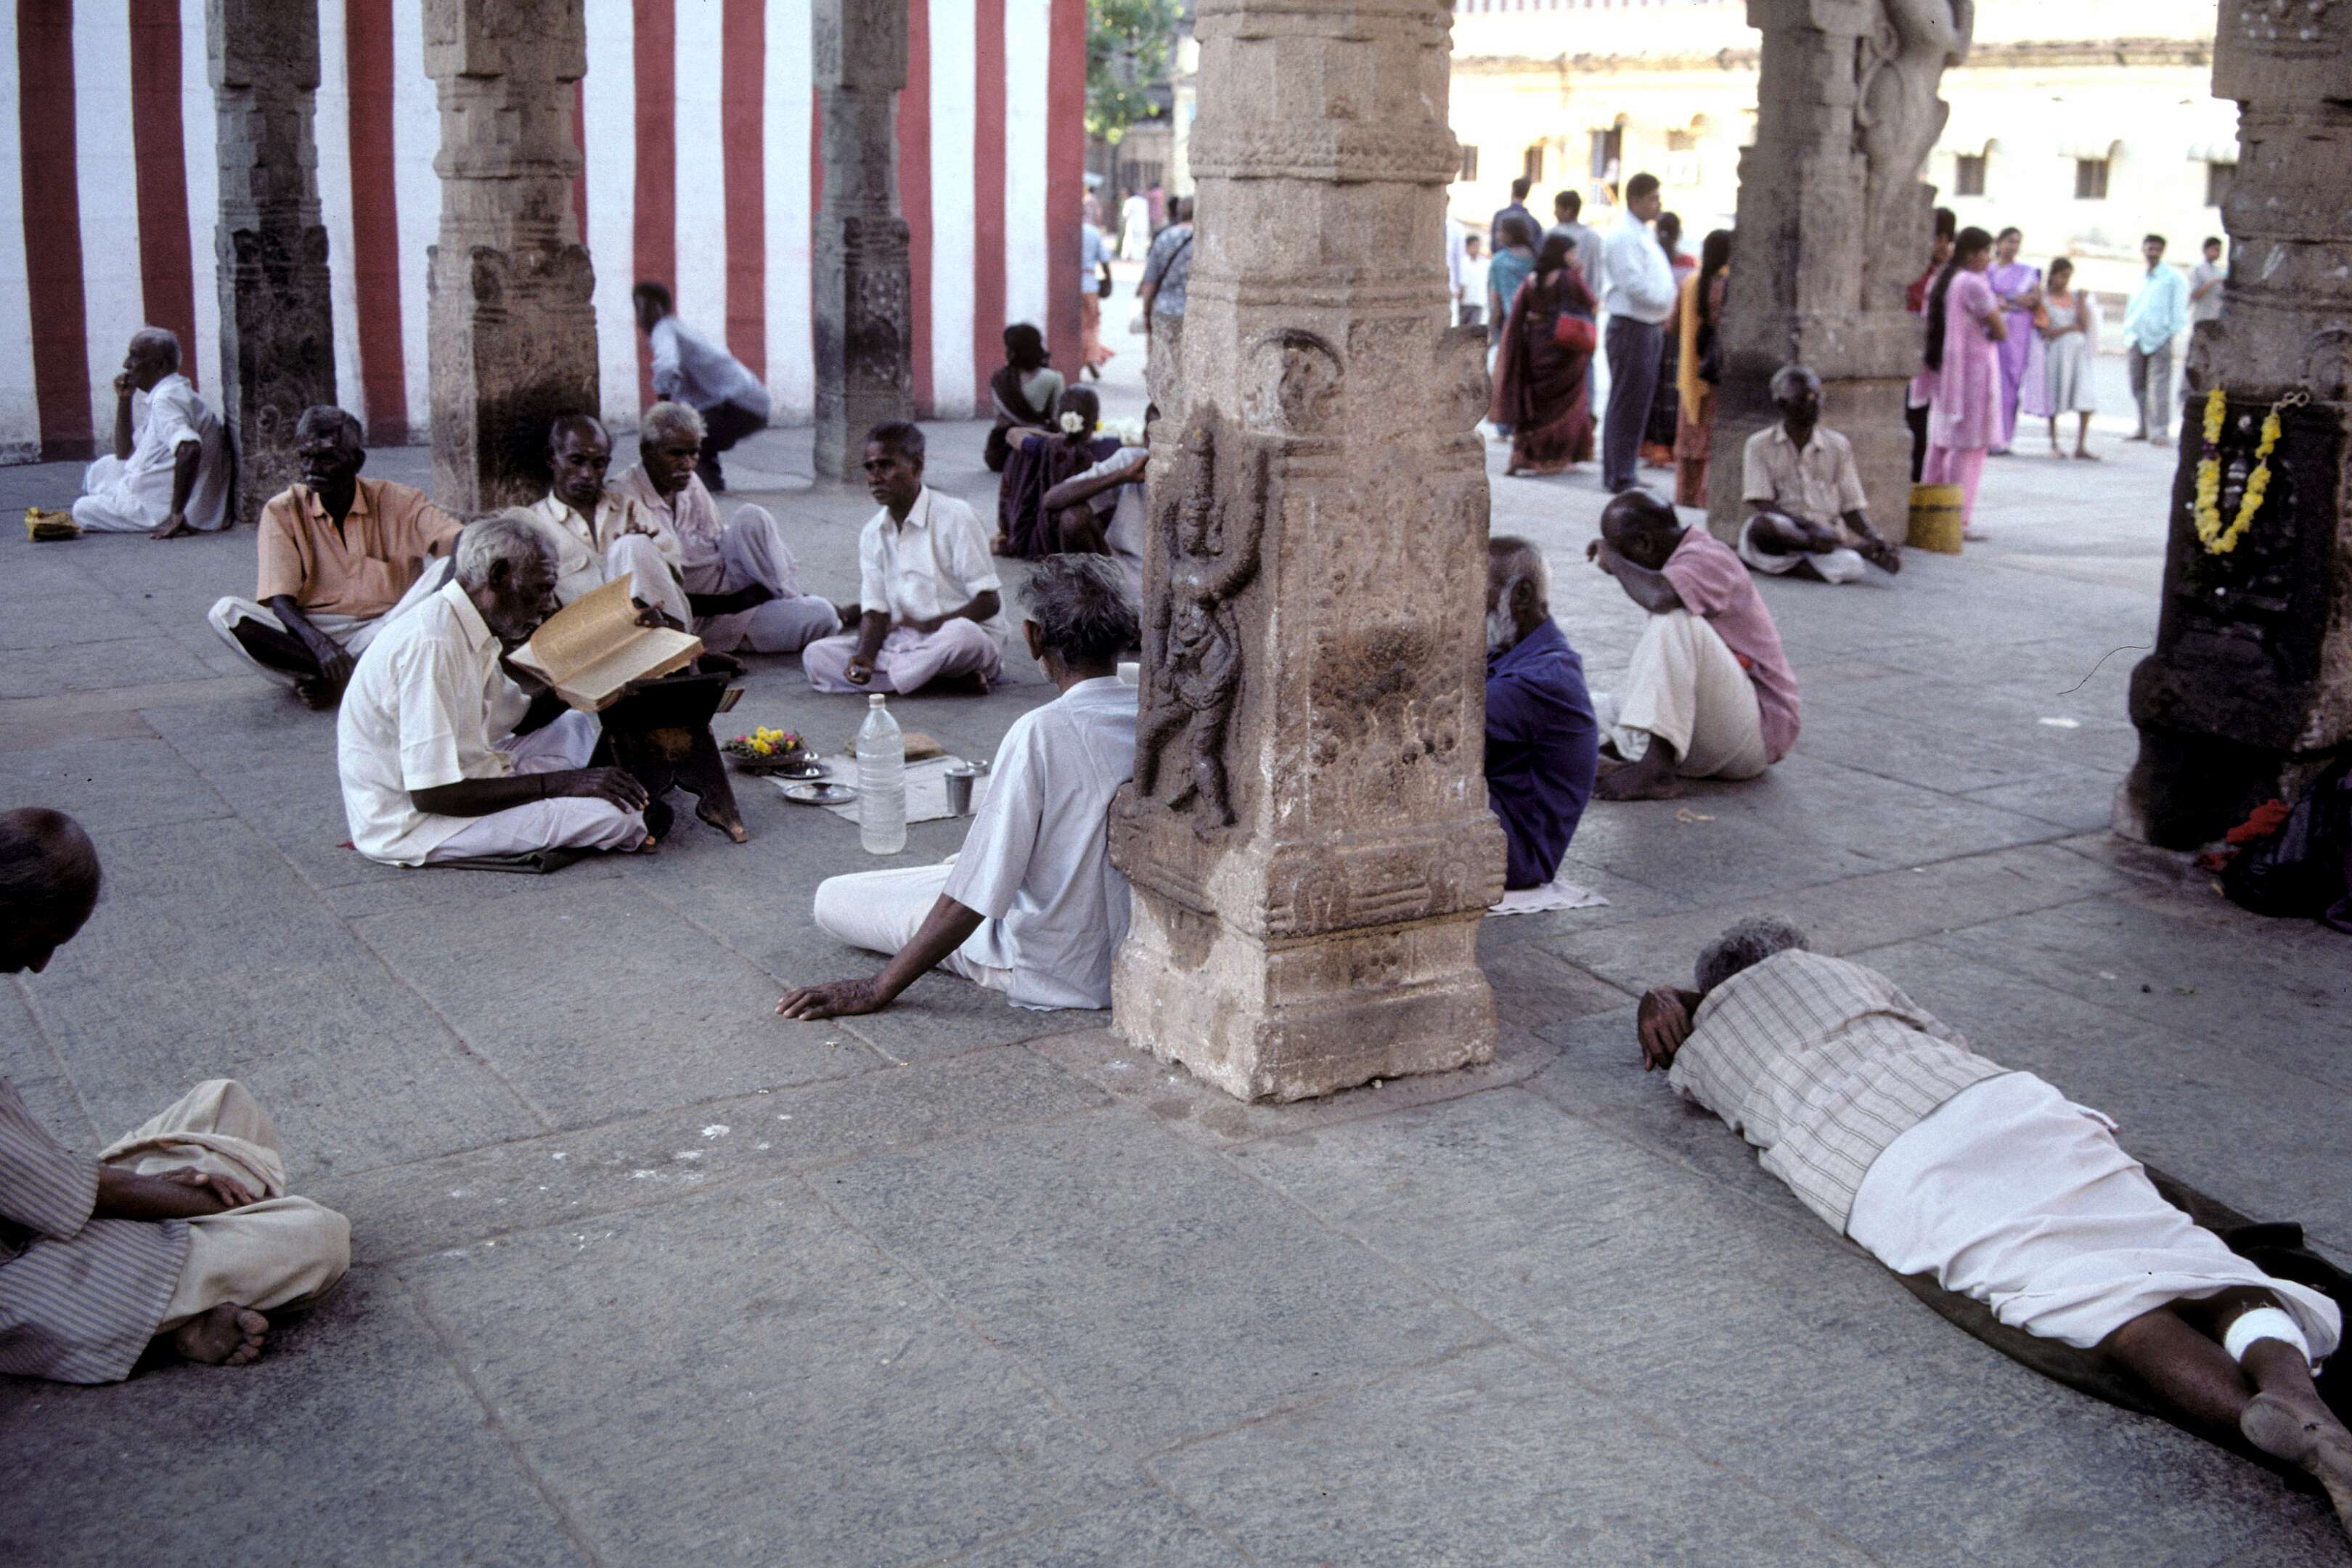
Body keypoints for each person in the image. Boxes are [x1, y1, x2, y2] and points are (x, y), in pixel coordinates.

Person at [1635, 918, 2352, 1543]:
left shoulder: (1703, 1051)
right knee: (2181, 1252)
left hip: (1886, 1166)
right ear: (1795, 953)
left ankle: (2275, 1429)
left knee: (2094, 1301)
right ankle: (2297, 1395)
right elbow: (1951, 1038)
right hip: (1993, 1104)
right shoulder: (1842, 976)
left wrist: (1664, 1000)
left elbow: (1686, 1043)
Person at [1, 808, 351, 1381]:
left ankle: (192, 1281)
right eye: (43, 941)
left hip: (34, 1211)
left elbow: (36, 1177)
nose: (39, 965)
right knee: (319, 1236)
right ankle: (174, 1318)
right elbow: (54, 1193)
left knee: (222, 1101)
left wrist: (161, 1191)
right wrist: (204, 1202)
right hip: (19, 1276)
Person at [780, 555, 1142, 1019]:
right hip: (1123, 944)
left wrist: (877, 988)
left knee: (834, 897)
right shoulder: (1146, 703)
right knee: (957, 867)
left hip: (1052, 964)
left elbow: (972, 897)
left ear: (1033, 637)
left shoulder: (1042, 730)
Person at [336, 513, 653, 867]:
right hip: (416, 821)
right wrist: (562, 784)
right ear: (499, 575)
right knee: (620, 818)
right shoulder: (432, 644)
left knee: (573, 724)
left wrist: (617, 647)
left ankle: (558, 802)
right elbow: (431, 794)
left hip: (467, 777)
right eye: (542, 588)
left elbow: (523, 720)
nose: (548, 604)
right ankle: (569, 808)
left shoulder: (465, 623)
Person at [206, 406, 462, 708]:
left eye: (326, 458)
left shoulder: (400, 499)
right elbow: (281, 603)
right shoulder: (282, 510)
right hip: (313, 630)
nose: (311, 469)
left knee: (452, 564)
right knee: (226, 613)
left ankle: (326, 678)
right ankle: (347, 674)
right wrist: (321, 645)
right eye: (305, 457)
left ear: (356, 461)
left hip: (391, 624)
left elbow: (460, 541)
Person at [1584, 489, 1799, 801]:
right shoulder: (1678, 559)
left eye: (1625, 553)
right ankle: (1631, 751)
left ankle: (1654, 769)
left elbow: (1660, 598)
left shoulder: (1708, 557)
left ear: (1645, 543)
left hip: (1753, 736)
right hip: (1709, 732)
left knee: (1674, 620)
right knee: (1579, 704)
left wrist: (1615, 561)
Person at [608, 401, 841, 654]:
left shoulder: (689, 482)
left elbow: (719, 540)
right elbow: (644, 592)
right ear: (647, 450)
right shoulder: (623, 497)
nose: (688, 464)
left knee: (753, 518)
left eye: (694, 453)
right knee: (821, 615)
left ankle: (791, 598)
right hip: (693, 617)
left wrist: (758, 585)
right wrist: (733, 603)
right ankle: (716, 644)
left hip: (732, 596)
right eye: (676, 454)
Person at [804, 422, 1008, 696]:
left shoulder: (956, 516)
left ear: (917, 466)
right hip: (904, 642)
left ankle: (908, 678)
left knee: (964, 637)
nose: (875, 478)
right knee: (816, 655)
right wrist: (864, 657)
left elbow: (989, 601)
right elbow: (875, 612)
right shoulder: (872, 533)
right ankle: (939, 682)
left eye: (886, 465)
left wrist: (931, 626)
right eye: (869, 467)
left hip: (957, 638)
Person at [1485, 537, 1598, 891]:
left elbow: (1440, 725)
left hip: (1519, 853)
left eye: (1471, 591)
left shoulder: (1544, 680)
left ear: (1520, 596)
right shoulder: (1514, 651)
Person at [1737, 364, 1902, 584]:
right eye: (1804, 400)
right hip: (1787, 532)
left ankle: (1786, 566)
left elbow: (1852, 506)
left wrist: (1875, 539)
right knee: (1762, 526)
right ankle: (1847, 551)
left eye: (1817, 398)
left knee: (1852, 565)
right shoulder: (1759, 444)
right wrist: (1809, 528)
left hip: (1827, 539)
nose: (1814, 406)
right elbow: (1763, 503)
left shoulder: (1838, 445)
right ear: (1782, 404)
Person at [70, 327, 229, 539]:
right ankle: (121, 498)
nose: (126, 364)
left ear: (159, 365)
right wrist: (124, 399)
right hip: (160, 487)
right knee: (102, 468)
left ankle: (165, 514)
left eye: (134, 357)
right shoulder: (169, 391)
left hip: (169, 507)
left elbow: (189, 449)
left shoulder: (165, 400)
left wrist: (176, 514)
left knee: (82, 510)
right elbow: (124, 453)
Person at [525, 415, 685, 621]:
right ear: (552, 458)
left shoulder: (630, 509)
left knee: (633, 544)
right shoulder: (534, 525)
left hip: (655, 622)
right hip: (589, 631)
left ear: (607, 464)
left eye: (598, 464)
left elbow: (675, 584)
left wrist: (646, 551)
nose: (587, 474)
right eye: (577, 461)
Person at [632, 282, 770, 493]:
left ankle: (707, 492)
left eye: (641, 310)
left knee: (683, 440)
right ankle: (710, 489)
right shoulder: (677, 327)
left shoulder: (663, 328)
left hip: (739, 404)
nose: (639, 319)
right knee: (695, 438)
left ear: (656, 308)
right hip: (749, 403)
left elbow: (666, 365)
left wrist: (663, 404)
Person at [1489, 232, 1598, 476]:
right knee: (1565, 404)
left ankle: (1526, 455)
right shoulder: (1570, 278)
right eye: (1571, 252)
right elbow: (1591, 303)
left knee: (1537, 403)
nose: (1574, 256)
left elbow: (1517, 313)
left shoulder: (1531, 280)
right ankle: (1556, 457)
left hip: (1535, 348)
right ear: (1562, 254)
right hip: (1565, 349)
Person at [1923, 226, 2005, 542]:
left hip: (1947, 373)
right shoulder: (1972, 282)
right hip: (1972, 375)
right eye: (1987, 252)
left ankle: (1930, 519)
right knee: (1969, 448)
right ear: (1972, 254)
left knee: (1941, 444)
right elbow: (2000, 330)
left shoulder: (1942, 278)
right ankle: (1956, 522)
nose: (1989, 259)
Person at [1600, 173, 1677, 494]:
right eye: (1653, 199)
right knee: (1627, 401)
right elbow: (1632, 282)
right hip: (1632, 325)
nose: (1658, 205)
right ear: (1636, 200)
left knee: (1638, 402)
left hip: (1649, 325)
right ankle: (1619, 475)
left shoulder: (1643, 233)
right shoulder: (1622, 235)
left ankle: (1625, 469)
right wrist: (1662, 300)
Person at [1041, 405, 1153, 603]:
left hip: (1172, 578)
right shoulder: (1132, 460)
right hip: (1123, 570)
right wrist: (1123, 475)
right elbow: (1051, 500)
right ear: (1146, 438)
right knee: (1073, 517)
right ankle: (1093, 603)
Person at [997, 385, 1121, 558]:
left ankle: (1006, 528)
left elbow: (1013, 433)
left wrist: (1051, 437)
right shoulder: (1110, 447)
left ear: (1059, 418)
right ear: (1095, 421)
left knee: (1019, 455)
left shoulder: (1042, 446)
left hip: (1037, 534)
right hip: (1087, 533)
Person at [1673, 228, 1732, 507]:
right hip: (1718, 372)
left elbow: (1672, 325)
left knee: (1690, 437)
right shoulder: (1730, 284)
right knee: (1713, 440)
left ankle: (1685, 497)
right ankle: (1705, 500)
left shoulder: (1690, 282)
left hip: (1691, 373)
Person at [1906, 208, 1958, 482]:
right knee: (1916, 425)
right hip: (1916, 360)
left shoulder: (1949, 275)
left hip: (1938, 362)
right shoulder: (1919, 273)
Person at [2033, 258, 2102, 461]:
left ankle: (2080, 445)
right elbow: (2045, 331)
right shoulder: (2044, 300)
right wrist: (2070, 328)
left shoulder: (2075, 297)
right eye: (2062, 276)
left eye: (2068, 277)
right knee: (2054, 396)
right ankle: (2054, 443)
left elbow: (2084, 325)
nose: (2065, 281)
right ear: (2053, 275)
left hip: (2078, 353)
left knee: (2085, 395)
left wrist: (2081, 303)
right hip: (2057, 353)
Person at [2124, 234, 2190, 446]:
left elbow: (2179, 309)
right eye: (2149, 248)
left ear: (2162, 251)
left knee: (2158, 387)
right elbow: (2133, 305)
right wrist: (2129, 330)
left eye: (2157, 249)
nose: (2152, 253)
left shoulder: (2172, 278)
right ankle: (2143, 427)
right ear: (2143, 249)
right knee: (2138, 385)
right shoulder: (2139, 277)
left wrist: (2170, 331)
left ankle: (2159, 431)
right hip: (2137, 336)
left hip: (2160, 338)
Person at [1641, 212, 1695, 470]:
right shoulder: (1689, 263)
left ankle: (1649, 446)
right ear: (1679, 234)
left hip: (1651, 326)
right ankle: (1666, 448)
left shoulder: (1650, 259)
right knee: (1671, 390)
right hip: (1677, 333)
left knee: (1650, 387)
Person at [1986, 228, 2043, 455]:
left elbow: (2034, 299)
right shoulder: (1988, 270)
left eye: (2017, 242)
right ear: (1999, 243)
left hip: (2016, 334)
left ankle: (2004, 438)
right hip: (1990, 330)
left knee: (2010, 383)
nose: (2013, 246)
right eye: (2010, 241)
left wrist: (2006, 300)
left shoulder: (2026, 272)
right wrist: (2013, 300)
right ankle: (1986, 437)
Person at [984, 323, 1066, 473]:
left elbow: (1000, 416)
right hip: (1035, 449)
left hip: (999, 452)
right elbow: (1056, 418)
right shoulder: (1053, 378)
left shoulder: (1000, 378)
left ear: (1013, 351)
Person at [1138, 197, 1194, 351]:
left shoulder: (1164, 238)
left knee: (1162, 358)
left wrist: (1146, 312)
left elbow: (1149, 281)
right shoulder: (1204, 240)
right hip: (1194, 312)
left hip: (1164, 310)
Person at [1486, 216, 1540, 351]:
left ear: (1510, 234)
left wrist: (1491, 331)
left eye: (1500, 231)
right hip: (1538, 325)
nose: (1497, 235)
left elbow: (1496, 303)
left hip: (1513, 325)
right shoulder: (1537, 257)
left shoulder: (1500, 261)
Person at [1079, 209, 1115, 380]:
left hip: (1069, 282)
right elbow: (1104, 260)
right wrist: (1109, 280)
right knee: (1091, 323)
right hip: (1089, 282)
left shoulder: (1068, 230)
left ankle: (1082, 358)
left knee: (1073, 323)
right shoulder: (1093, 232)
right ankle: (1091, 356)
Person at [1545, 188, 1604, 293]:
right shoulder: (1593, 236)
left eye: (1557, 208)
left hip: (1558, 295)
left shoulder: (1553, 235)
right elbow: (1597, 271)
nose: (1554, 212)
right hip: (1585, 295)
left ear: (1568, 211)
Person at [1490, 176, 1537, 255]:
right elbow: (1536, 250)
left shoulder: (1499, 216)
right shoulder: (1533, 222)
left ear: (1513, 191)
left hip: (1501, 260)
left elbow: (1494, 246)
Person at [2189, 235, 2226, 327]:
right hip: (2201, 317)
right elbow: (2194, 295)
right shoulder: (2197, 269)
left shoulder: (2218, 272)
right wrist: (2212, 282)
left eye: (2219, 251)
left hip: (2215, 317)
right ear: (2205, 250)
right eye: (2215, 250)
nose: (2218, 253)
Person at [1457, 232, 1490, 330]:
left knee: (1474, 329)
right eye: (1474, 246)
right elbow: (1461, 281)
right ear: (1468, 247)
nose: (1477, 248)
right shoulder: (1462, 261)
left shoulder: (1484, 263)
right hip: (1465, 301)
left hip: (1478, 301)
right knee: (1462, 329)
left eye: (1478, 246)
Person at [1119, 189, 1151, 261]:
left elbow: (1125, 214)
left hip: (1133, 226)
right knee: (1141, 242)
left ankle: (1128, 256)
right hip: (1143, 225)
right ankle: (1140, 257)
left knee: (1129, 241)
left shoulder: (1129, 201)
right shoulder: (1144, 202)